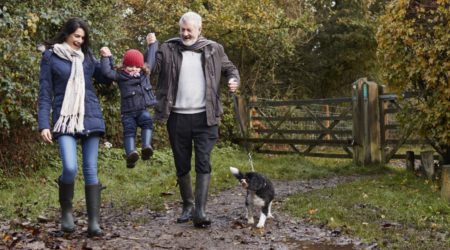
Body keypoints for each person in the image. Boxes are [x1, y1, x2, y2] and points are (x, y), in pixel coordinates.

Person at [152, 11, 240, 228]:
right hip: (177, 117)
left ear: (200, 29)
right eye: (182, 29)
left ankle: (200, 210)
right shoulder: (168, 48)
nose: (185, 33)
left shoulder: (213, 48)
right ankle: (188, 206)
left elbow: (230, 69)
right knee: (181, 163)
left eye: (189, 30)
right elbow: (151, 68)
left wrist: (233, 80)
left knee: (203, 161)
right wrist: (152, 46)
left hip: (205, 117)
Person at [38, 17, 113, 237]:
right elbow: (44, 93)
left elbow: (106, 78)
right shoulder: (51, 57)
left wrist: (108, 58)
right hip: (65, 118)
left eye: (83, 37)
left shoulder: (88, 57)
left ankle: (93, 223)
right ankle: (67, 212)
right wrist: (44, 124)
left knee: (91, 169)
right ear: (66, 35)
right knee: (70, 167)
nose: (80, 41)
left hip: (90, 116)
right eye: (76, 36)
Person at [99, 35, 158, 168]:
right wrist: (105, 57)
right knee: (129, 131)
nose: (133, 69)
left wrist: (152, 44)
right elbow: (107, 72)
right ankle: (131, 154)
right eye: (130, 66)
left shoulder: (144, 74)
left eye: (137, 66)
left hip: (142, 109)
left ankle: (146, 147)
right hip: (128, 113)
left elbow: (151, 59)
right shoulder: (120, 76)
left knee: (147, 120)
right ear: (124, 66)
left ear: (141, 66)